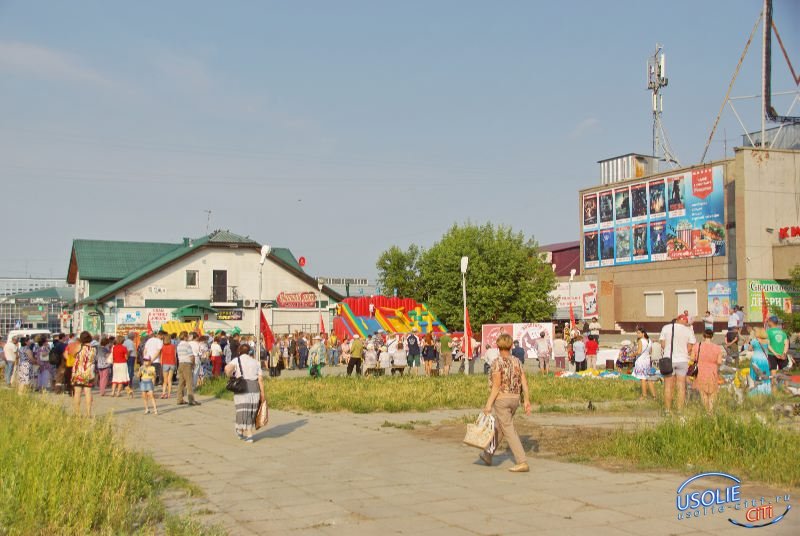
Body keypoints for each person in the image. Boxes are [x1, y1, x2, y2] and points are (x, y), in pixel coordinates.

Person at [478, 333, 532, 473]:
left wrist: (488, 404)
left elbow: (496, 386)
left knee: (507, 428)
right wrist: (526, 399)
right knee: (500, 427)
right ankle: (488, 455)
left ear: (497, 346)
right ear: (511, 346)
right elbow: (524, 383)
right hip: (515, 398)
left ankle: (522, 461)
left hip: (502, 399)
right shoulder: (517, 361)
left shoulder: (497, 363)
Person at [224, 344, 265, 443]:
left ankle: (246, 432)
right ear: (249, 351)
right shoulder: (256, 362)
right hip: (254, 388)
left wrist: (230, 375)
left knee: (241, 411)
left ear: (239, 351)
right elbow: (260, 379)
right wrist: (262, 393)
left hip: (242, 388)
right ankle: (243, 431)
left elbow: (227, 369)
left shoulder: (237, 360)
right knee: (251, 411)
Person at [659, 314, 696, 415]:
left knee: (668, 386)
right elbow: (690, 346)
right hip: (682, 360)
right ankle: (680, 410)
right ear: (683, 321)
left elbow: (662, 344)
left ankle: (667, 410)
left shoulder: (666, 328)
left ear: (677, 319)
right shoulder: (688, 330)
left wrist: (668, 349)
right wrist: (683, 351)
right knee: (681, 386)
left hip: (669, 359)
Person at [691, 329, 724, 414]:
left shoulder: (697, 346)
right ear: (712, 336)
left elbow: (692, 358)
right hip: (713, 370)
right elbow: (719, 362)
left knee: (703, 392)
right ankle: (711, 411)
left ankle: (706, 411)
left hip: (701, 370)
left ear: (703, 336)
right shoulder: (717, 348)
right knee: (712, 391)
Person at [70, 331, 96, 417]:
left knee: (77, 392)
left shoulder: (79, 346)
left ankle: (77, 413)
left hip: (78, 371)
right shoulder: (94, 348)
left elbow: (73, 354)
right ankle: (88, 413)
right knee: (88, 392)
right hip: (88, 372)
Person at [175, 331, 200, 406]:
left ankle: (179, 399)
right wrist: (193, 364)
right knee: (189, 382)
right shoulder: (187, 345)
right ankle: (191, 400)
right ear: (185, 337)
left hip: (181, 363)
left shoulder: (178, 345)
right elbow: (191, 356)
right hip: (187, 364)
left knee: (181, 383)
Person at [632, 327, 656, 400]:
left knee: (642, 379)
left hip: (641, 361)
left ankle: (644, 395)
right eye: (637, 333)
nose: (637, 334)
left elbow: (639, 352)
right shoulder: (649, 341)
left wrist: (632, 355)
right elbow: (651, 351)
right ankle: (654, 396)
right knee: (648, 378)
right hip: (647, 361)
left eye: (639, 333)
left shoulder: (641, 341)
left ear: (643, 333)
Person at [748, 328, 772, 395]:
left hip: (755, 360)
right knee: (765, 375)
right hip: (765, 360)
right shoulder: (767, 341)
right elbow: (770, 349)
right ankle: (765, 391)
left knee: (755, 375)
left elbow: (749, 349)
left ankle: (755, 391)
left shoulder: (754, 341)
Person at [160, 333, 177, 399]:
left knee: (165, 380)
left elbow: (161, 356)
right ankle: (169, 394)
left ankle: (163, 393)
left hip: (165, 363)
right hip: (172, 363)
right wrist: (175, 364)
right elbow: (175, 356)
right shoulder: (173, 346)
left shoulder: (163, 347)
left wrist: (161, 363)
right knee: (170, 380)